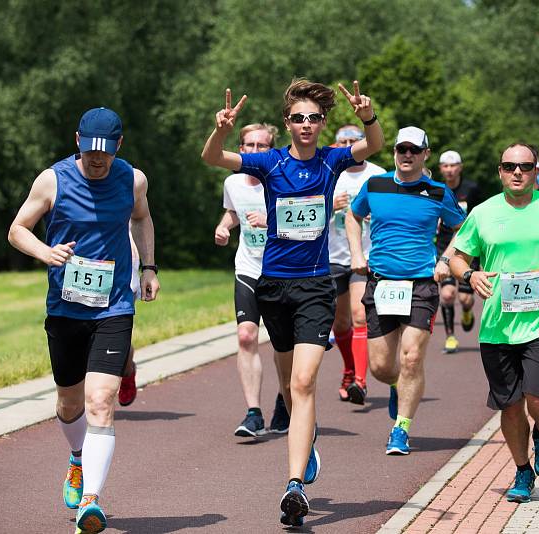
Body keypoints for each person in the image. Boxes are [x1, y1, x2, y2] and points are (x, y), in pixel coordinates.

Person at [201, 79, 383, 527]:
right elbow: (212, 158)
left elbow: (375, 144)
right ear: (288, 123)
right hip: (273, 288)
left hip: (316, 287)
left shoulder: (332, 158)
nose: (306, 124)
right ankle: (307, 439)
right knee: (288, 386)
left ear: (322, 124)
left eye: (314, 118)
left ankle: (294, 486)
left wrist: (367, 116)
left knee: (303, 384)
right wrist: (221, 129)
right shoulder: (270, 162)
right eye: (298, 118)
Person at [8, 107, 160, 533]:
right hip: (65, 308)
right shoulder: (52, 180)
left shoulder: (133, 179)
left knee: (100, 403)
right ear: (78, 141)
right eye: (91, 151)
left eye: (106, 153)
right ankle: (77, 458)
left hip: (113, 307)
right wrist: (45, 252)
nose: (98, 160)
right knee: (69, 403)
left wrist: (149, 267)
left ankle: (91, 502)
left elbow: (142, 217)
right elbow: (17, 229)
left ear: (119, 147)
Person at [449, 142, 539, 504]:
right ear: (500, 171)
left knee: (538, 398)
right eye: (510, 166)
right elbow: (457, 256)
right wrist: (470, 275)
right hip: (497, 327)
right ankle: (521, 469)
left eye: (526, 167)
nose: (518, 172)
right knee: (511, 406)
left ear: (536, 171)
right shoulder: (483, 213)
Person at [346, 127, 466, 455]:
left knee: (411, 357)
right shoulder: (376, 185)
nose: (407, 155)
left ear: (426, 154)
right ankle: (399, 386)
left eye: (415, 149)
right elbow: (353, 216)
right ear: (395, 152)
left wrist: (446, 258)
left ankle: (401, 429)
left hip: (422, 284)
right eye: (402, 149)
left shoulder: (438, 192)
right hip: (381, 281)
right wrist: (357, 253)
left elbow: (462, 228)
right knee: (382, 367)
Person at [214, 122, 291, 437]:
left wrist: (270, 220)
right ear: (241, 149)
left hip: (283, 271)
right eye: (249, 146)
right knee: (246, 336)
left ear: (271, 150)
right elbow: (234, 211)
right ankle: (253, 413)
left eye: (262, 147)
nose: (255, 152)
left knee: (284, 345)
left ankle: (285, 402)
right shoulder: (233, 182)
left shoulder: (283, 180)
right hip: (248, 268)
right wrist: (224, 226)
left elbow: (308, 220)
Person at [328, 124, 386, 404]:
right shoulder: (329, 172)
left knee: (359, 314)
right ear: (336, 144)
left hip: (364, 256)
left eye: (354, 140)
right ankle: (349, 369)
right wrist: (329, 205)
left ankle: (360, 382)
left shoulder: (376, 175)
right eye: (343, 141)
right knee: (340, 323)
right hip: (333, 256)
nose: (349, 145)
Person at [436, 150, 483, 353]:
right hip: (444, 245)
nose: (449, 170)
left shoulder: (471, 189)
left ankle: (466, 311)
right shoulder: (435, 190)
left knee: (465, 299)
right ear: (440, 169)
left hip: (468, 248)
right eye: (445, 166)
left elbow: (480, 217)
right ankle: (450, 337)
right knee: (447, 294)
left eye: (453, 165)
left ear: (460, 167)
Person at [117, 230, 140, 407]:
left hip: (123, 254)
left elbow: (142, 217)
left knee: (117, 331)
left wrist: (149, 267)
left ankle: (127, 371)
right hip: (82, 256)